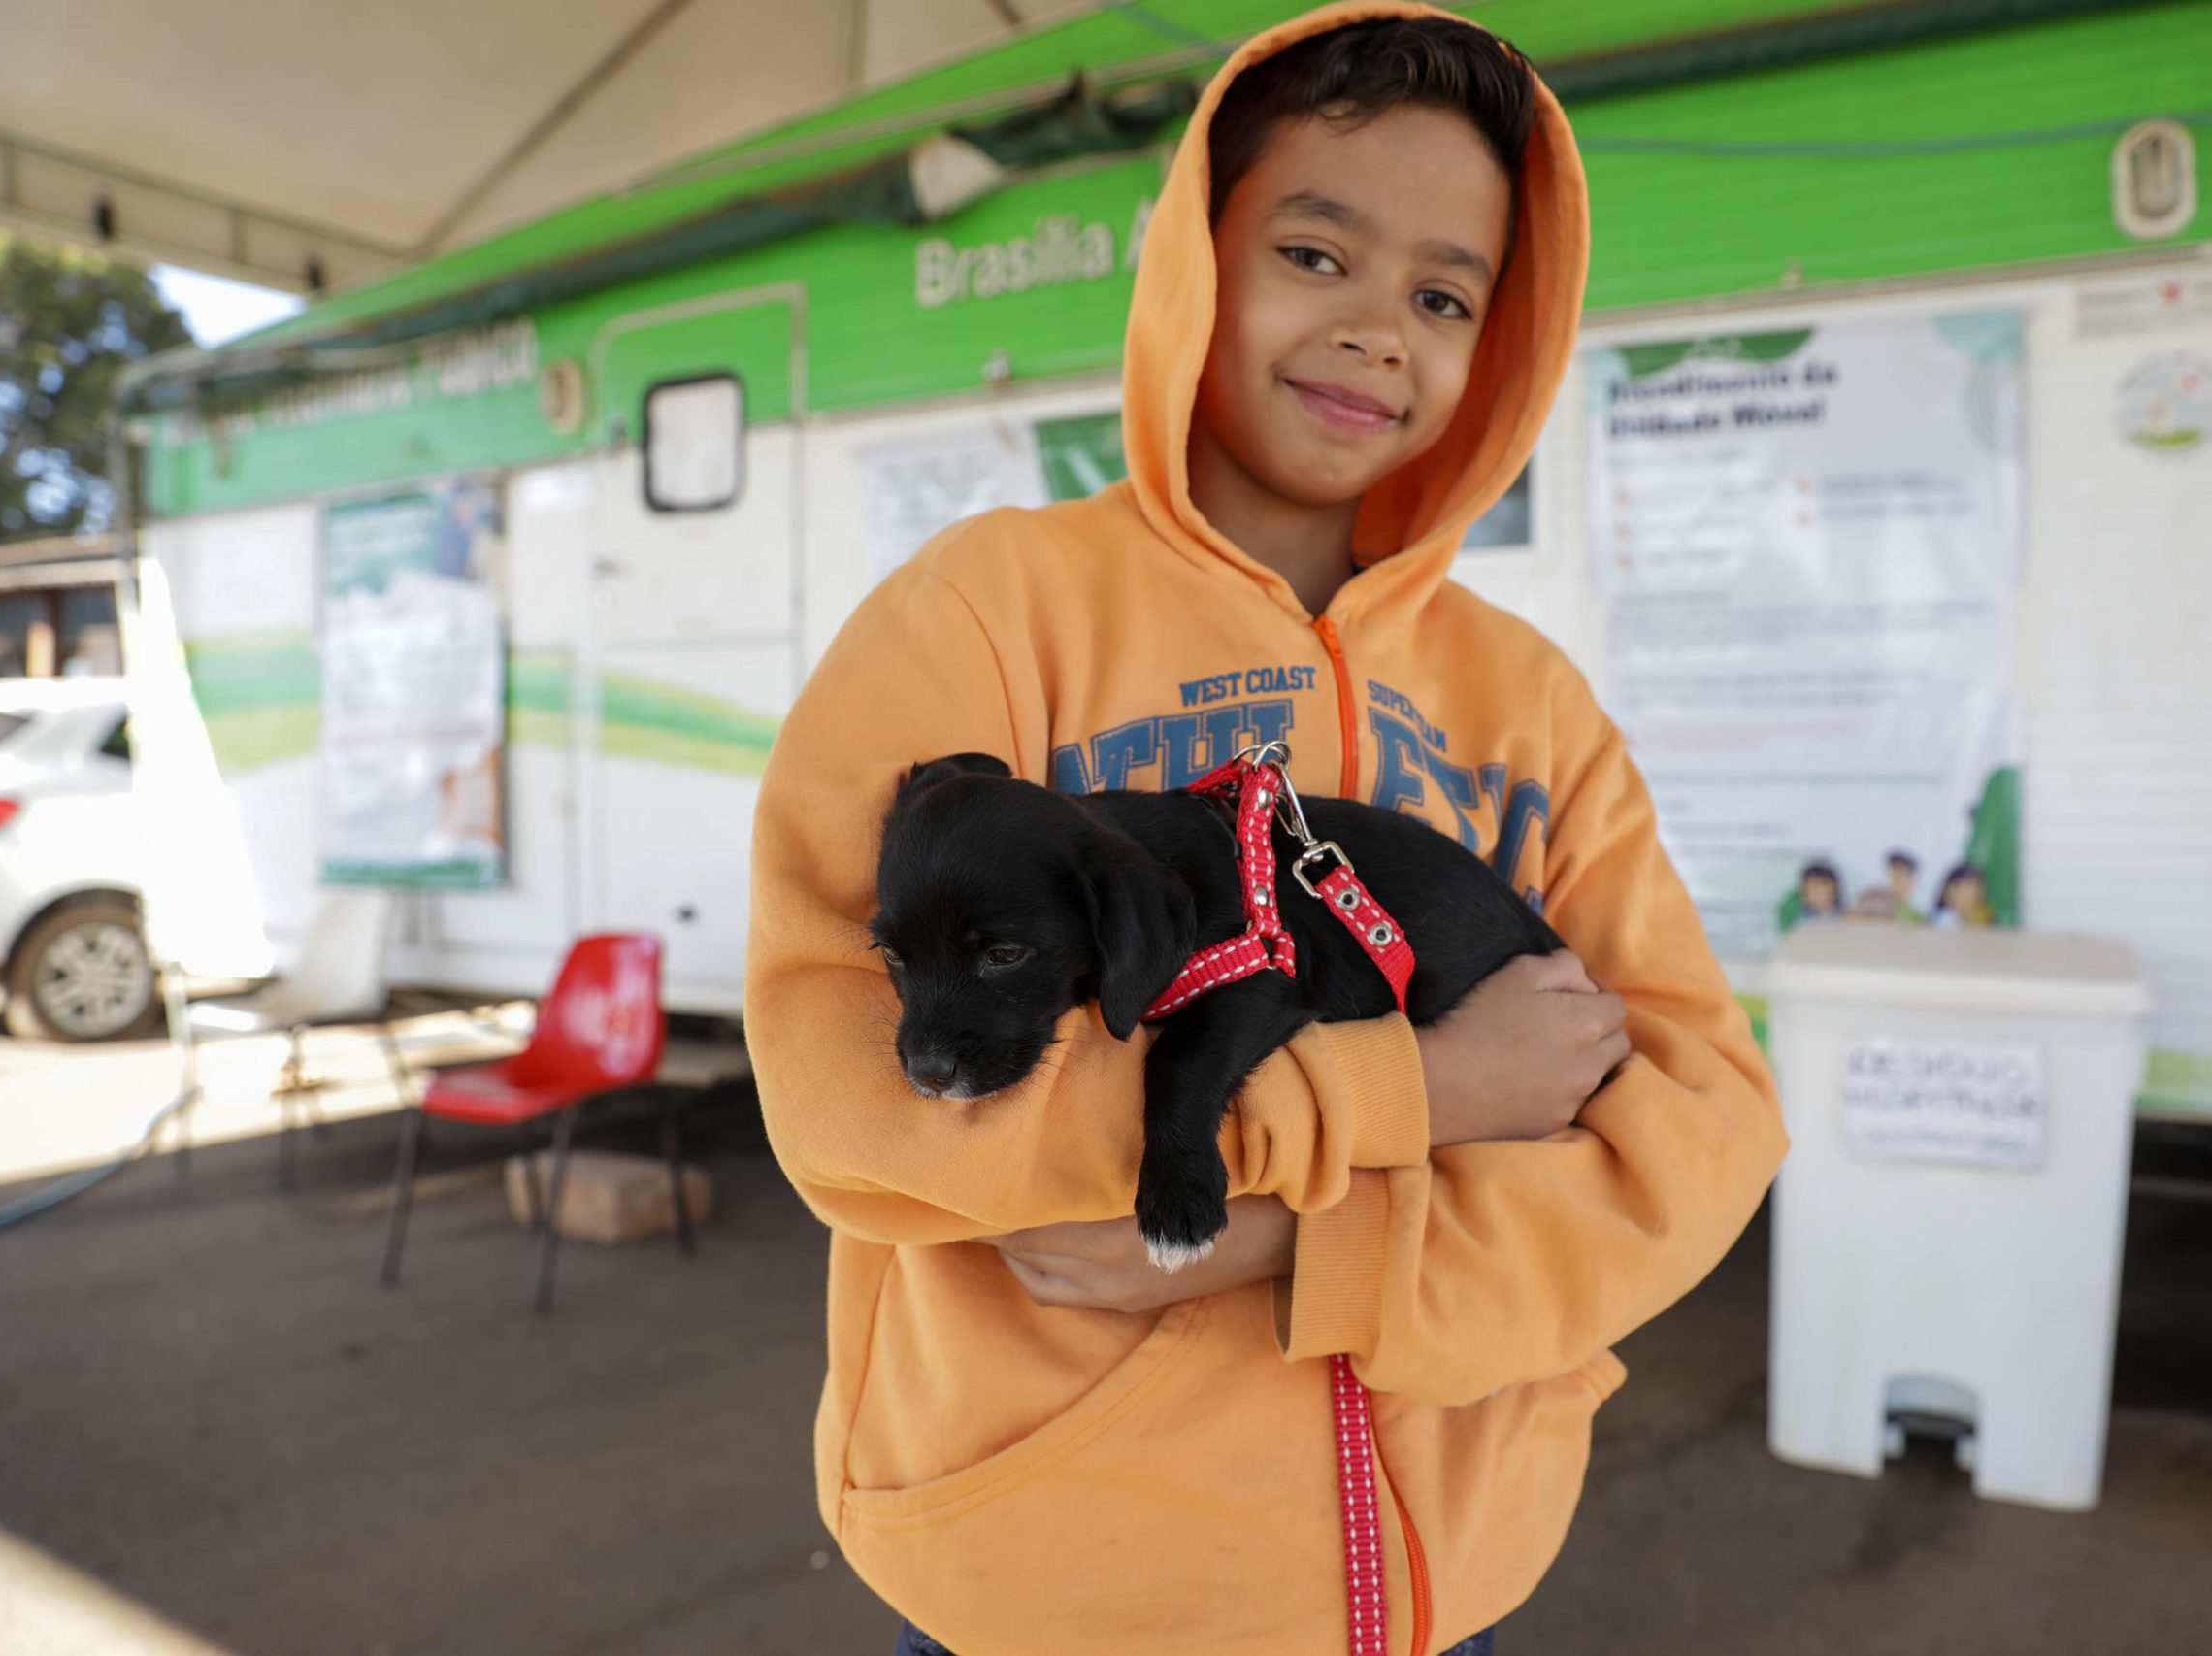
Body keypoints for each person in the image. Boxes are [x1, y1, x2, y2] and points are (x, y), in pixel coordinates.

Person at [744, 8, 1788, 1653]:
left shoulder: (1533, 706)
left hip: (1457, 1593)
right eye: (1317, 250)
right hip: (1048, 1595)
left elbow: (1706, 1126)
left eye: (1445, 294)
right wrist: (1421, 1092)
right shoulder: (982, 618)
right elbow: (863, 1097)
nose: (1382, 330)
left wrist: (1310, 1242)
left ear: (1495, 342)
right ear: (1192, 264)